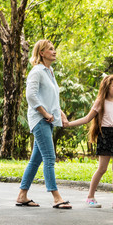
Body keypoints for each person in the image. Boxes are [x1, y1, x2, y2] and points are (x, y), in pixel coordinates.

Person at [64, 75, 113, 209]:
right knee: (102, 168)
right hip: (106, 136)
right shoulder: (100, 102)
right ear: (107, 87)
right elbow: (87, 118)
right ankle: (90, 197)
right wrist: (69, 124)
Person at [16, 40, 72, 209]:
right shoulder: (37, 71)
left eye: (54, 49)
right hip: (40, 119)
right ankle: (56, 197)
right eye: (50, 49)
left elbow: (52, 98)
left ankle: (22, 195)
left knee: (35, 160)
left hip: (49, 119)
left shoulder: (50, 71)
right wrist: (45, 113)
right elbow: (31, 96)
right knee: (49, 157)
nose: (54, 51)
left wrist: (59, 113)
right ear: (41, 52)